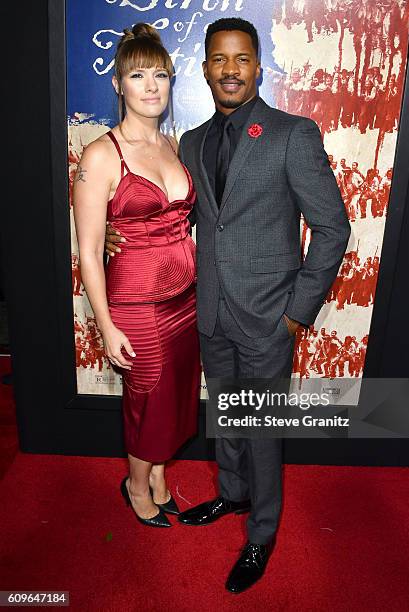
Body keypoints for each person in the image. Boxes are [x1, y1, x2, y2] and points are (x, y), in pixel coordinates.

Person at [106, 17, 350, 593]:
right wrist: (119, 233)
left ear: (258, 67)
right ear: (206, 68)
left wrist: (297, 311)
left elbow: (332, 227)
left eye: (242, 59)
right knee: (229, 418)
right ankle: (232, 496)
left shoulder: (293, 133)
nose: (230, 70)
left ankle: (262, 534)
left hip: (270, 316)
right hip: (210, 310)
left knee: (262, 429)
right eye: (219, 59)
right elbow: (172, 216)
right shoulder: (191, 142)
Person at [74, 24, 200, 529]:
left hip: (186, 299)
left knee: (178, 395)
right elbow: (86, 251)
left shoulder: (173, 143)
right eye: (138, 75)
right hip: (136, 306)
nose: (151, 86)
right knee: (146, 400)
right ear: (118, 85)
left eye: (161, 75)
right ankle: (136, 483)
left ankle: (160, 474)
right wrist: (106, 326)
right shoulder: (101, 155)